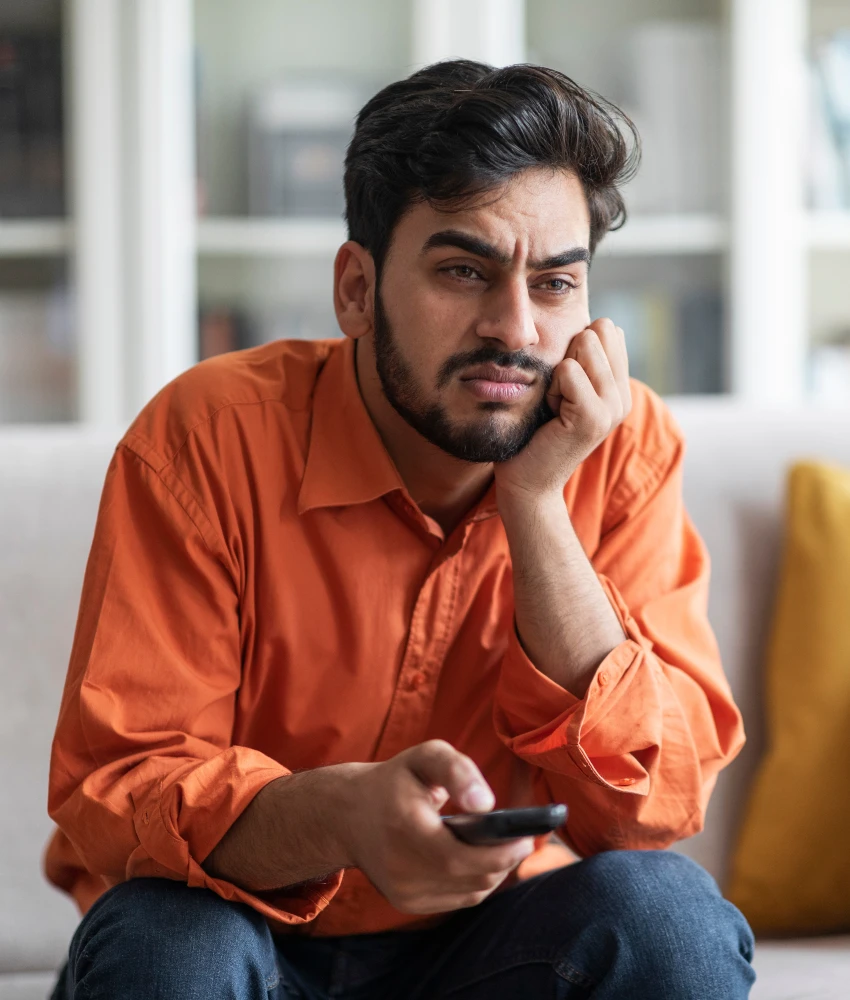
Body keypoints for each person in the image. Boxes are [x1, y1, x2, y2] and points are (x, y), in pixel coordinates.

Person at [46, 60, 755, 999]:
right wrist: (339, 815)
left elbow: (649, 809)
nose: (515, 328)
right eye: (464, 271)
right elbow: (121, 785)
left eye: (554, 283)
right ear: (355, 288)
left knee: (668, 918)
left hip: (495, 946)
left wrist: (536, 504)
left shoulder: (620, 450)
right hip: (240, 924)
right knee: (168, 948)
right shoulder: (207, 438)